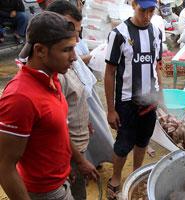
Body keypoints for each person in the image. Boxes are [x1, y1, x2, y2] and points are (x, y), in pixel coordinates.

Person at [0, 11, 78, 200]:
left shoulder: (52, 78)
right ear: (40, 51)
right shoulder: (20, 97)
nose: (74, 57)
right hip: (44, 194)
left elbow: (55, 130)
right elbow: (4, 166)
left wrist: (72, 163)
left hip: (61, 182)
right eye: (67, 50)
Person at [104, 0, 165, 198]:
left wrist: (161, 98)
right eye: (143, 11)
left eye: (151, 11)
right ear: (133, 5)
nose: (147, 16)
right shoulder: (119, 34)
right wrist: (111, 109)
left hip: (150, 100)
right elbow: (109, 73)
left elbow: (157, 67)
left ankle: (137, 174)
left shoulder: (156, 32)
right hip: (126, 102)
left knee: (143, 140)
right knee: (123, 143)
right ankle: (116, 177)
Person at [46, 1, 104, 199]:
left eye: (79, 32)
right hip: (64, 156)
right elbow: (55, 127)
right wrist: (78, 160)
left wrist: (83, 117)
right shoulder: (51, 73)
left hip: (75, 150)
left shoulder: (66, 62)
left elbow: (71, 100)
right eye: (71, 29)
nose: (76, 39)